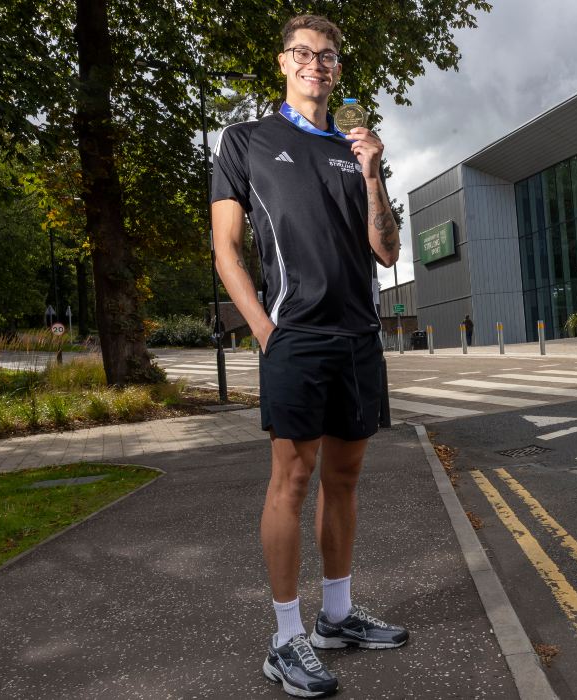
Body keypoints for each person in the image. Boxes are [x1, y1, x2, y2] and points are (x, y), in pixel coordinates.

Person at [210, 14, 406, 698]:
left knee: (345, 480)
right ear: (282, 63)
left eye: (326, 56)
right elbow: (226, 249)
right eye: (303, 53)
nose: (315, 64)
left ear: (338, 71)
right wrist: (264, 330)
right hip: (294, 334)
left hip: (358, 334)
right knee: (291, 483)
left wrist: (374, 172)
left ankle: (337, 617)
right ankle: (285, 638)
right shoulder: (246, 141)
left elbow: (387, 250)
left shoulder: (357, 147)